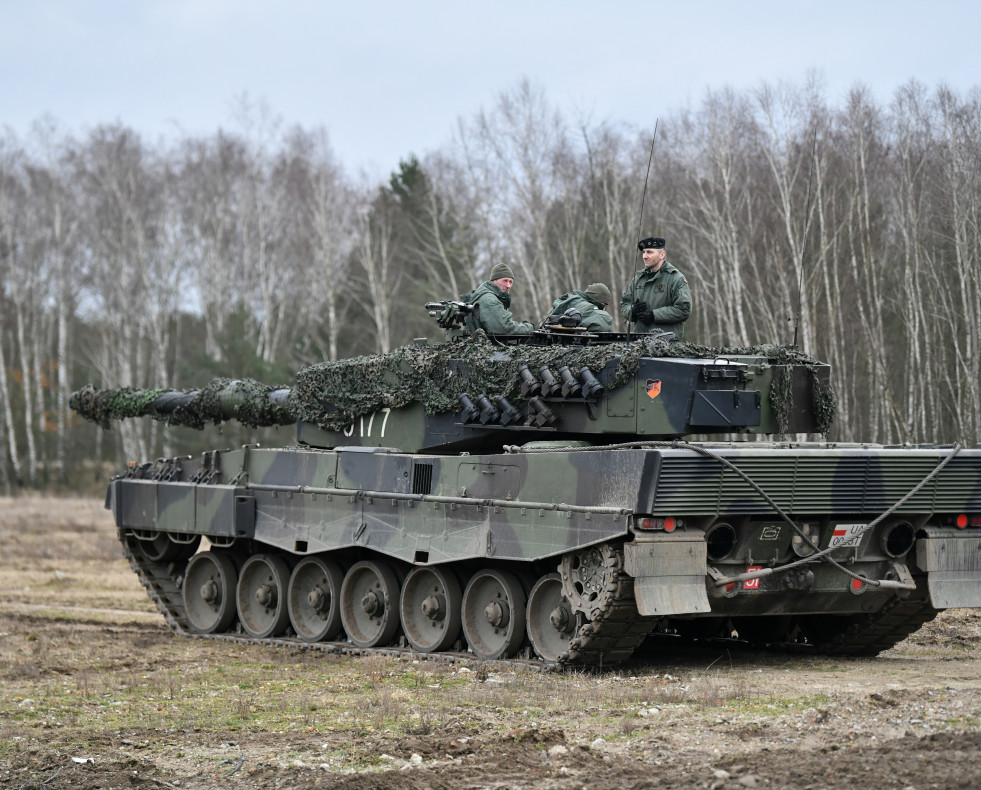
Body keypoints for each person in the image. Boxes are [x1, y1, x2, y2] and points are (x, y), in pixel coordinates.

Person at [620, 237, 691, 338]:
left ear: (662, 255)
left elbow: (683, 309)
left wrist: (653, 315)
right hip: (639, 343)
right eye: (643, 252)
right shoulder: (638, 279)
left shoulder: (675, 278)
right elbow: (624, 304)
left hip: (667, 344)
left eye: (649, 252)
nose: (644, 256)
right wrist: (633, 311)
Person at [461, 263, 534, 335]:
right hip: (481, 345)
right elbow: (504, 328)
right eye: (505, 281)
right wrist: (529, 327)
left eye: (510, 282)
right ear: (494, 280)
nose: (508, 286)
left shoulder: (489, 295)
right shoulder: (489, 300)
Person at [548, 283, 614, 331]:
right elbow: (602, 323)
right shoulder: (586, 306)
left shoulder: (570, 300)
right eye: (604, 304)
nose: (604, 308)